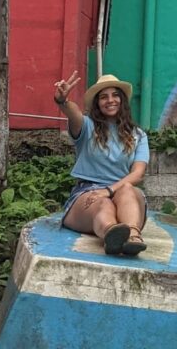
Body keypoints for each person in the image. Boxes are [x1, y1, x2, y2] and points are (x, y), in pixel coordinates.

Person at [55, 71, 150, 256]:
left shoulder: (138, 135)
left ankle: (133, 236)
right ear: (97, 103)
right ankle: (112, 234)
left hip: (122, 193)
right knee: (103, 205)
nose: (110, 100)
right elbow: (73, 113)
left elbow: (137, 173)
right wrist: (62, 102)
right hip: (88, 193)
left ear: (122, 100)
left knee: (128, 190)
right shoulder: (87, 126)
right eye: (104, 97)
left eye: (115, 95)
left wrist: (108, 190)